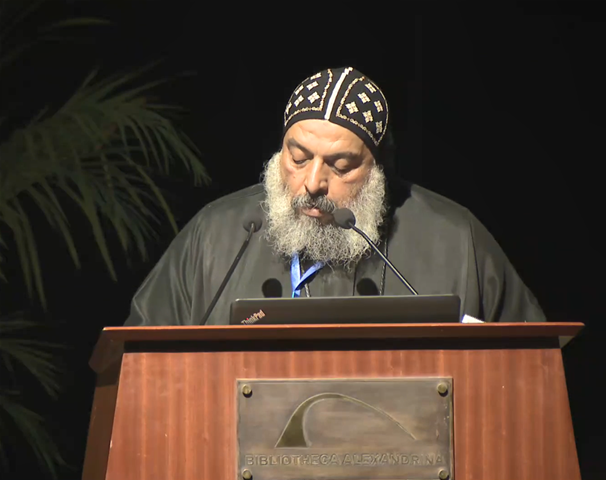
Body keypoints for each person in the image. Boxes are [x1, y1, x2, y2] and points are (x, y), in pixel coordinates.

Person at [124, 66, 546, 326]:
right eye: (297, 157)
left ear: (379, 170)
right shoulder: (214, 236)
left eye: (340, 166)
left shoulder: (454, 240)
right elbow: (135, 362)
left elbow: (531, 365)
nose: (312, 183)